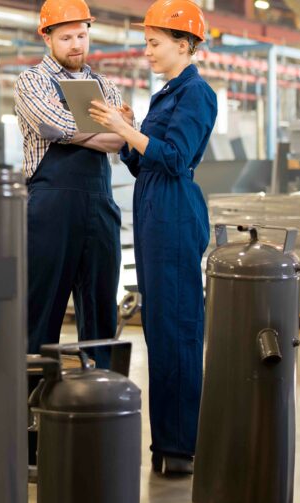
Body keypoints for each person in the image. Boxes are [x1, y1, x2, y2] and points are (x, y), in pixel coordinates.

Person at [89, 0, 217, 475]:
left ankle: (182, 445)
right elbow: (145, 160)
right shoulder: (165, 94)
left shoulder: (196, 93)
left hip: (174, 212)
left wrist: (127, 129)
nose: (146, 51)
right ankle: (166, 443)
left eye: (154, 43)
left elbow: (176, 157)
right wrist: (129, 135)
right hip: (151, 205)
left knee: (179, 326)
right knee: (159, 329)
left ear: (183, 45)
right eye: (147, 42)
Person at [13, 0, 126, 368]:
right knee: (41, 305)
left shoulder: (105, 86)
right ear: (47, 38)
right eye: (66, 37)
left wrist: (75, 130)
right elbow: (50, 125)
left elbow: (122, 139)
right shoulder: (32, 81)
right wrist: (102, 130)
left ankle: (100, 395)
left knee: (100, 308)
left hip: (100, 204)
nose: (76, 44)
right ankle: (30, 405)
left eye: (81, 35)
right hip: (51, 207)